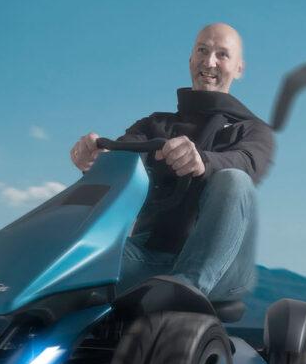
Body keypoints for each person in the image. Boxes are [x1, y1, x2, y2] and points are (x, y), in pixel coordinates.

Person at [69, 23, 275, 302]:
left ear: (239, 68)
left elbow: (247, 163)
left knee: (234, 179)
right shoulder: (153, 124)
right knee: (71, 267)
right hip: (150, 256)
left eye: (222, 55)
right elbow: (120, 160)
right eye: (202, 50)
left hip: (223, 269)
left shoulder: (254, 131)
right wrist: (95, 159)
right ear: (191, 59)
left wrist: (202, 161)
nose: (209, 61)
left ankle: (185, 291)